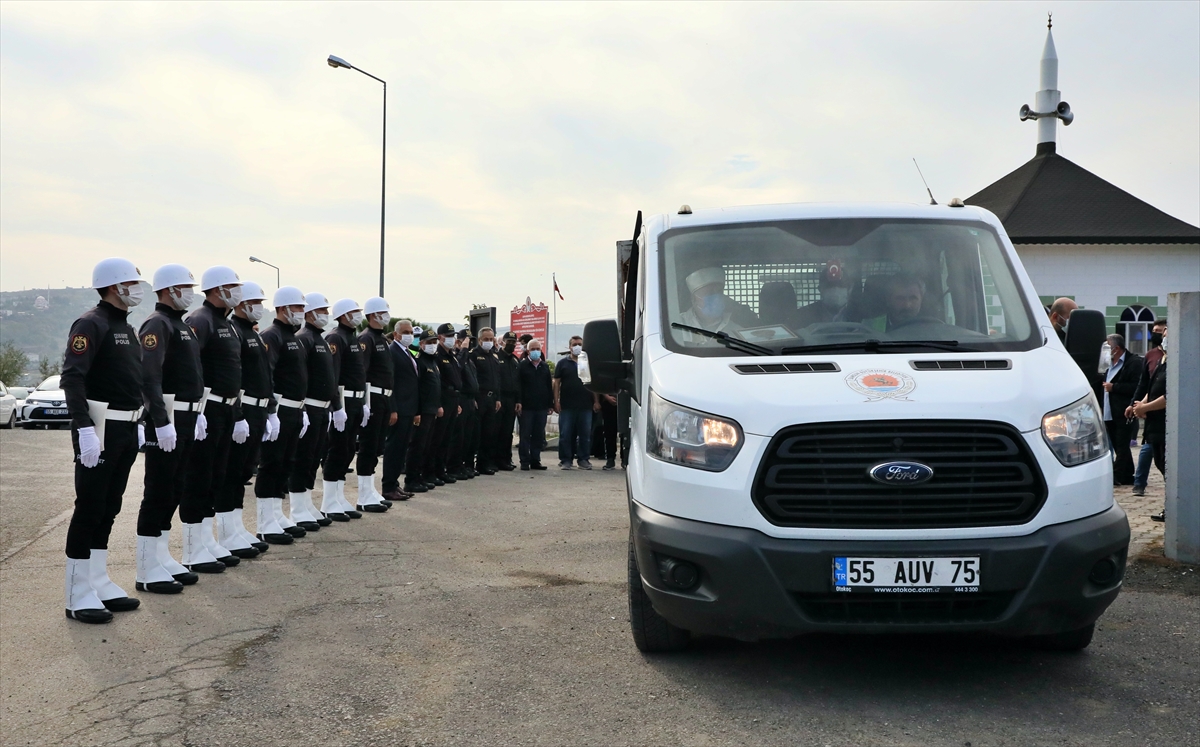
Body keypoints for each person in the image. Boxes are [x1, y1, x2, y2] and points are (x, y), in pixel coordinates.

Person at [61, 258, 147, 623]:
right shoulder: (91, 323)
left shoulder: (126, 326)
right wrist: (84, 429)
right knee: (90, 507)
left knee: (110, 505)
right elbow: (73, 377)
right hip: (101, 427)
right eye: (132, 282)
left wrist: (140, 418)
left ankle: (97, 579)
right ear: (114, 286)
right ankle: (76, 593)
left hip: (127, 427)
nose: (138, 288)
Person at [135, 263, 217, 590]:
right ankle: (145, 568)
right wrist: (159, 421)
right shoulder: (157, 323)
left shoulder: (180, 324)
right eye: (185, 287)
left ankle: (160, 555)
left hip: (186, 416)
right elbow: (149, 376)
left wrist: (198, 412)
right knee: (157, 490)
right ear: (169, 290)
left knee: (175, 487)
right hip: (167, 418)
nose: (191, 293)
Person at [183, 266, 247, 569]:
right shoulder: (201, 320)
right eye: (232, 286)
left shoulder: (228, 323)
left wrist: (237, 414)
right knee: (199, 477)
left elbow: (232, 373)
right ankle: (192, 548)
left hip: (226, 408)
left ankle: (207, 540)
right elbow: (190, 367)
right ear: (217, 289)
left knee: (216, 477)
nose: (237, 291)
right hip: (206, 410)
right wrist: (196, 408)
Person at [217, 281, 272, 555]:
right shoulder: (235, 330)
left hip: (258, 408)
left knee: (243, 472)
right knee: (232, 472)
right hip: (244, 408)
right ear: (242, 304)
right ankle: (226, 532)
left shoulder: (251, 332)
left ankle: (236, 528)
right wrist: (239, 414)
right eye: (256, 302)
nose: (260, 308)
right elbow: (234, 376)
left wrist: (269, 410)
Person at [254, 286, 308, 545]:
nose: (302, 312)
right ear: (283, 308)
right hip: (281, 408)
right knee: (272, 463)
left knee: (286, 463)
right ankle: (265, 522)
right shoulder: (272, 335)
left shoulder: (293, 336)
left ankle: (276, 514)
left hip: (295, 409)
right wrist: (271, 410)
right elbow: (268, 375)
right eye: (298, 307)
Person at [288, 292, 347, 527]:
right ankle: (297, 508)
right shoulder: (304, 337)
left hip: (323, 409)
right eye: (322, 310)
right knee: (302, 458)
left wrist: (336, 406)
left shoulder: (321, 339)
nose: (325, 314)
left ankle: (306, 501)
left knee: (313, 458)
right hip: (309, 406)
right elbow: (300, 376)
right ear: (310, 313)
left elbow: (330, 377)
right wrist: (302, 406)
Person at [320, 297, 367, 521]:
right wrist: (337, 406)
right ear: (343, 315)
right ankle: (329, 501)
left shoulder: (353, 337)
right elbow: (333, 375)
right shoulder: (335, 337)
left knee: (348, 450)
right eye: (354, 311)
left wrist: (365, 403)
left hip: (356, 401)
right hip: (343, 401)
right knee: (337, 450)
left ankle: (339, 497)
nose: (358, 314)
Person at [355, 297, 395, 510]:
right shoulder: (366, 339)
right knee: (368, 446)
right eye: (382, 313)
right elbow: (362, 372)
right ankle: (363, 496)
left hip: (384, 397)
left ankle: (371, 490)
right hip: (373, 397)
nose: (386, 316)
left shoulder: (382, 340)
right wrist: (364, 402)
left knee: (377, 446)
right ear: (372, 316)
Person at [1132, 328, 1168, 521]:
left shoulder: (1177, 364)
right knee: (1160, 463)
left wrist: (1146, 407)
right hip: (1155, 425)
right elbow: (1152, 387)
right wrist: (1141, 404)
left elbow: (1168, 395)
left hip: (1165, 424)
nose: (1164, 339)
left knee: (1166, 466)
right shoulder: (1163, 361)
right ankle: (1170, 507)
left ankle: (1172, 507)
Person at [1099, 334, 1143, 486]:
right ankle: (1127, 475)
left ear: (1116, 348)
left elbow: (1137, 386)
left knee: (1122, 444)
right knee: (1118, 445)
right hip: (1108, 411)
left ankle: (1117, 476)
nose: (1105, 351)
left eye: (1108, 347)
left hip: (1124, 411)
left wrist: (1115, 387)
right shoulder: (1107, 363)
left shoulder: (1134, 362)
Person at [382, 320, 419, 501]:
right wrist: (393, 409)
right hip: (400, 408)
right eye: (405, 332)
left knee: (401, 449)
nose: (409, 335)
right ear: (396, 334)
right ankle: (388, 486)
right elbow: (391, 383)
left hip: (408, 408)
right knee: (394, 449)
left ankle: (395, 484)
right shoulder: (393, 352)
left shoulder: (406, 351)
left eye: (411, 332)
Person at [406, 328, 444, 492]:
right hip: (422, 411)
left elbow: (436, 387)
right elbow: (416, 389)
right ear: (421, 344)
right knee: (417, 446)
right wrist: (417, 412)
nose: (433, 345)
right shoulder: (419, 361)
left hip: (431, 410)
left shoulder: (433, 361)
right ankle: (411, 480)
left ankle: (420, 477)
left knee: (426, 446)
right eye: (429, 343)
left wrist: (438, 406)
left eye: (435, 342)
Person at [554, 335, 599, 470]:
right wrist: (556, 401)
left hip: (586, 406)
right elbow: (556, 383)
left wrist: (596, 401)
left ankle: (583, 459)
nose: (577, 346)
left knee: (585, 435)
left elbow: (593, 384)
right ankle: (566, 460)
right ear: (570, 347)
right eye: (574, 344)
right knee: (565, 435)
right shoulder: (562, 363)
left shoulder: (587, 362)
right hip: (567, 406)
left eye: (579, 344)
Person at [678, 266, 757, 339]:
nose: (716, 298)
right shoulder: (677, 326)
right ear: (693, 299)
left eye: (719, 292)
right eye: (709, 293)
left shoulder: (737, 331)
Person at [428, 323, 463, 485]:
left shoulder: (452, 355)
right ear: (440, 337)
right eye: (448, 336)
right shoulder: (438, 355)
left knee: (447, 438)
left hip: (453, 399)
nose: (451, 339)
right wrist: (439, 404)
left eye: (452, 335)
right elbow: (438, 383)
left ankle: (441, 471)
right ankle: (432, 471)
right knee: (437, 439)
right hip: (443, 399)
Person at [469, 327, 502, 475]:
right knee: (475, 434)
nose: (489, 342)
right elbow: (471, 378)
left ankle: (484, 463)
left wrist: (498, 398)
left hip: (491, 398)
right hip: (479, 398)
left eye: (491, 339)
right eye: (486, 339)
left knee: (489, 433)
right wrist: (474, 398)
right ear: (480, 340)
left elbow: (497, 380)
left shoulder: (494, 356)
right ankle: (469, 464)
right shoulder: (474, 355)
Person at [516, 338, 553, 470]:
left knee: (538, 435)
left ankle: (535, 460)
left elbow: (549, 386)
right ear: (527, 351)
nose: (535, 351)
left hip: (541, 406)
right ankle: (524, 461)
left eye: (538, 349)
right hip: (526, 407)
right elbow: (518, 385)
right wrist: (519, 401)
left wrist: (550, 404)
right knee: (525, 435)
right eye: (533, 349)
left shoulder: (544, 366)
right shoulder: (522, 365)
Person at [449, 329, 479, 481]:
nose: (469, 343)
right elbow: (457, 370)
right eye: (467, 340)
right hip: (460, 398)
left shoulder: (468, 358)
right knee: (458, 436)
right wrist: (464, 350)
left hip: (469, 399)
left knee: (468, 436)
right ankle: (454, 466)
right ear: (459, 341)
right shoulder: (456, 356)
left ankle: (463, 465)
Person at [793, 261, 855, 329]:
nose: (835, 289)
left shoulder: (861, 315)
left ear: (849, 288)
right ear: (820, 289)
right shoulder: (803, 316)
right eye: (829, 285)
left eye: (841, 285)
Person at [492, 331, 521, 470]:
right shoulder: (496, 357)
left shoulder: (516, 360)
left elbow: (518, 383)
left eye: (513, 342)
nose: (511, 344)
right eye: (508, 341)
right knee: (496, 431)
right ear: (503, 342)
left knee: (507, 432)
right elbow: (496, 381)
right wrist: (497, 398)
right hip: (500, 399)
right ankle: (495, 460)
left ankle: (506, 459)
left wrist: (518, 401)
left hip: (512, 400)